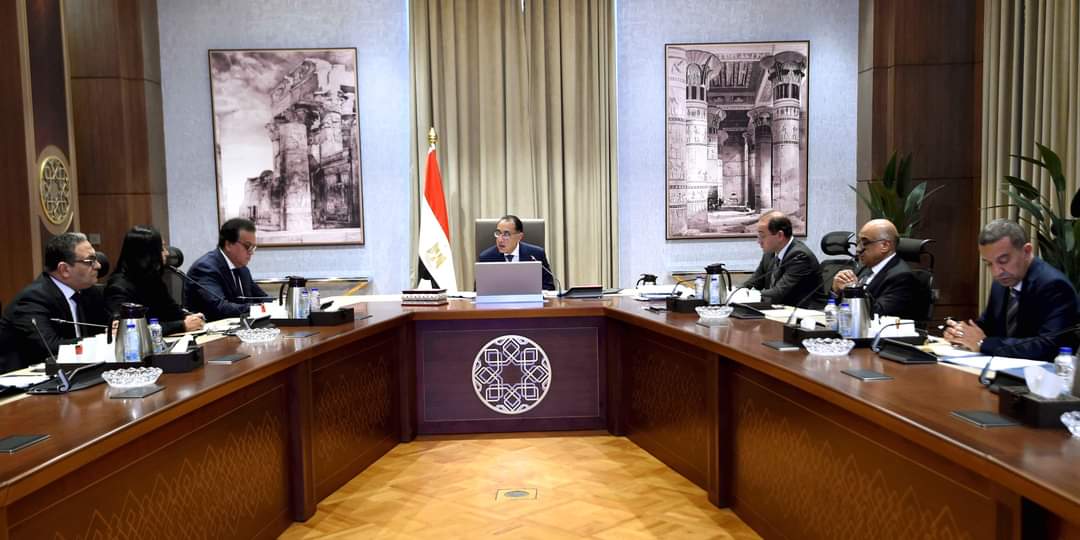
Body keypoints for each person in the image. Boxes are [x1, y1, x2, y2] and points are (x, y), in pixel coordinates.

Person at [944, 219, 1078, 360]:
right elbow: (987, 325)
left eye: (1003, 261)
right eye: (989, 264)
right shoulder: (1001, 283)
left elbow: (1048, 346)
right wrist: (961, 333)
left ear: (1027, 251)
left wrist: (983, 343)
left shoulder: (1054, 285)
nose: (996, 272)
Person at [0, 232, 110, 371]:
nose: (98, 266)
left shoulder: (89, 292)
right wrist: (102, 340)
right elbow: (49, 347)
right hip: (24, 380)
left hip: (77, 373)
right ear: (64, 270)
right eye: (90, 261)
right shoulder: (33, 299)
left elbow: (105, 327)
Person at [105, 226, 204, 336]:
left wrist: (190, 317)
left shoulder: (152, 279)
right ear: (145, 254)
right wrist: (182, 325)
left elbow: (171, 311)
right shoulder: (118, 288)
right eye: (162, 248)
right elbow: (129, 330)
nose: (167, 253)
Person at [831, 218, 928, 321]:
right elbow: (837, 308)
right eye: (858, 242)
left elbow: (878, 314)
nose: (858, 249)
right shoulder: (865, 268)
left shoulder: (902, 277)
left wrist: (855, 290)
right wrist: (836, 292)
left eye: (865, 243)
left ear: (885, 246)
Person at [185, 217, 269, 321]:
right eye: (248, 246)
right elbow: (220, 307)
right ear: (228, 245)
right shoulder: (205, 268)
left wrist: (277, 304)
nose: (251, 252)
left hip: (241, 326)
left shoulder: (243, 270)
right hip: (211, 328)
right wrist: (258, 309)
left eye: (253, 247)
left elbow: (262, 298)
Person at [746, 211, 827, 309]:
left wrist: (747, 296)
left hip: (807, 314)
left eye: (762, 236)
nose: (758, 241)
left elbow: (778, 294)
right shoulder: (770, 253)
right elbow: (753, 282)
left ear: (780, 235)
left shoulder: (799, 256)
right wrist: (736, 293)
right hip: (782, 311)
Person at [477, 215, 555, 290]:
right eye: (498, 233)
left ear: (519, 237)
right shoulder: (486, 258)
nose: (500, 239)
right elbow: (478, 290)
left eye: (506, 234)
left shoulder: (536, 255)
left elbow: (549, 287)